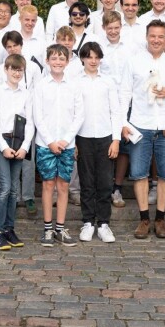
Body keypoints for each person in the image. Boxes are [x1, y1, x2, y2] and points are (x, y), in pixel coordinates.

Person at [121, 20, 165, 239]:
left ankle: (160, 219)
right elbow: (124, 93)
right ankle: (144, 219)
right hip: (140, 125)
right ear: (147, 37)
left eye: (161, 37)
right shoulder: (134, 61)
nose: (156, 40)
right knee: (139, 174)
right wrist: (123, 123)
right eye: (153, 36)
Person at [33, 44, 84, 246]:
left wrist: (65, 140)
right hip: (46, 143)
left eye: (61, 59)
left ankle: (60, 228)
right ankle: (47, 228)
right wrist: (50, 141)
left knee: (63, 185)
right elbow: (38, 116)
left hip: (67, 144)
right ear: (47, 61)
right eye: (54, 58)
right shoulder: (41, 86)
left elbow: (79, 115)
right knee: (47, 185)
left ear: (68, 61)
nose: (57, 62)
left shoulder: (73, 86)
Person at [73, 43, 122, 243]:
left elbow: (115, 111)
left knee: (104, 182)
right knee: (86, 181)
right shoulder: (75, 81)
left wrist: (116, 139)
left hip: (105, 136)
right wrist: (73, 141)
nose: (93, 61)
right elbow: (72, 112)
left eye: (96, 57)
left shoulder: (108, 82)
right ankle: (87, 222)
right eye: (89, 57)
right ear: (83, 58)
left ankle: (103, 223)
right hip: (82, 137)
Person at [0, 54, 33, 250]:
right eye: (13, 69)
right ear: (6, 70)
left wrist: (24, 147)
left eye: (19, 70)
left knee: (14, 190)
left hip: (19, 141)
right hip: (3, 141)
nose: (16, 72)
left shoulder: (26, 93)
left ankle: (9, 229)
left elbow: (31, 122)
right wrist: (3, 146)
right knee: (5, 187)